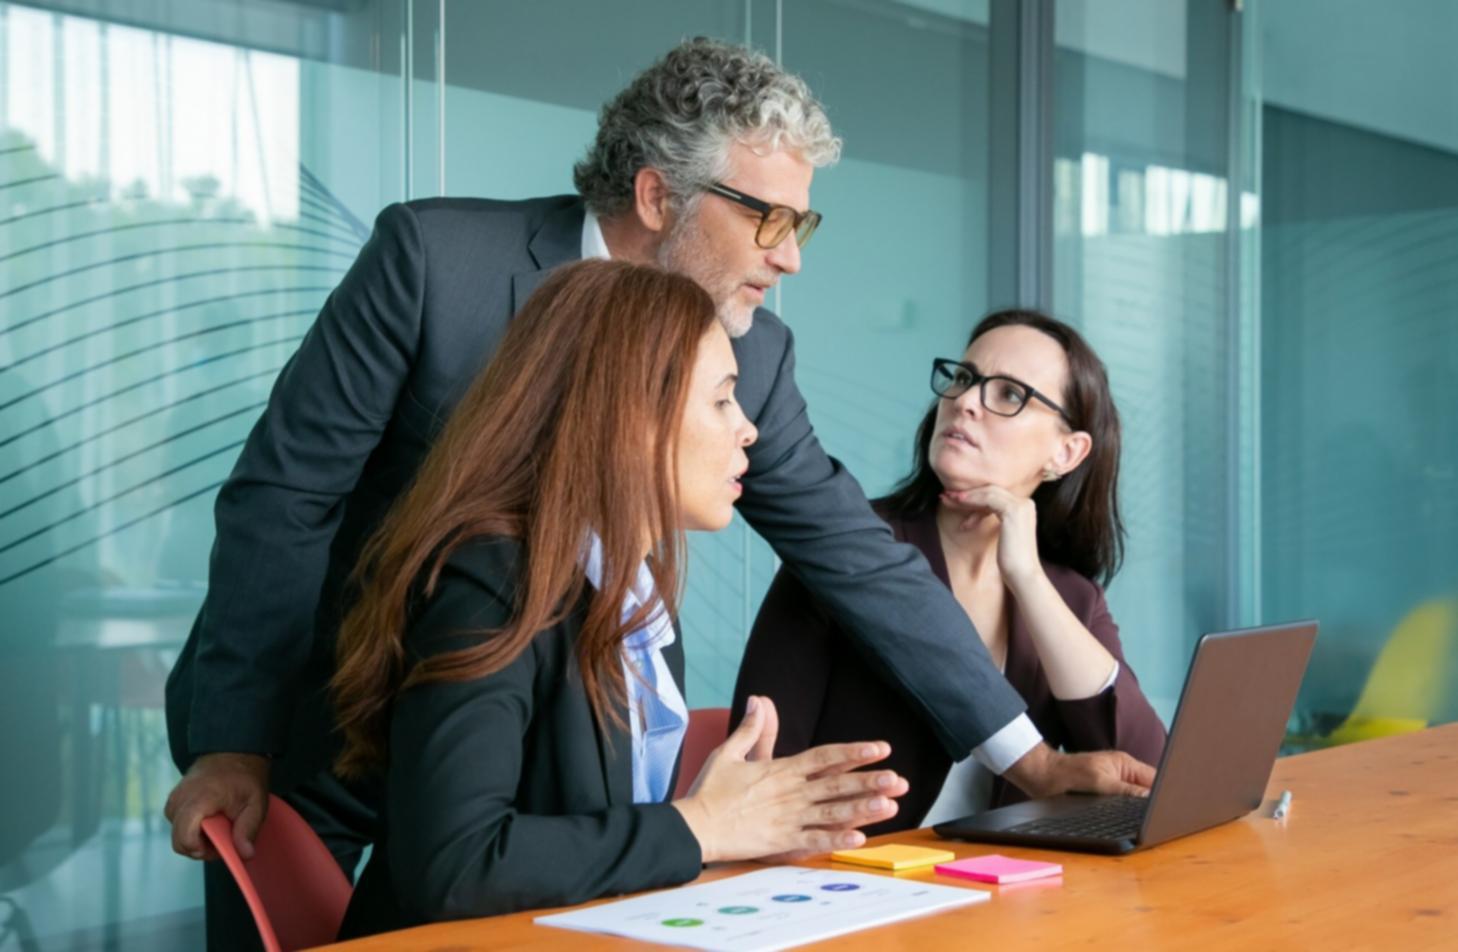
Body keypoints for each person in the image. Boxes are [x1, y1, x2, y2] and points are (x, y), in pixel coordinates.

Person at [163, 39, 1151, 948]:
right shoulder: (437, 268)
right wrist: (232, 744)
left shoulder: (753, 355)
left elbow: (858, 557)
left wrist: (1031, 762)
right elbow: (284, 498)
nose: (791, 253)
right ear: (655, 195)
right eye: (766, 216)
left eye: (801, 221)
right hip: (318, 721)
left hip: (543, 794)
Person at [329, 259, 906, 934]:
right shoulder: (489, 583)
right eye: (722, 399)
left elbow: (591, 840)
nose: (747, 428)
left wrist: (724, 831)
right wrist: (702, 827)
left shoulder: (633, 591)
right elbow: (457, 866)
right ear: (629, 417)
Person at [733, 310, 1168, 833]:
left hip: (1012, 897)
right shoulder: (845, 546)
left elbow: (1140, 772)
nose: (963, 401)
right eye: (964, 379)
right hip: (850, 888)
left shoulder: (1070, 597)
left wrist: (1027, 578)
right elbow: (759, 771)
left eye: (1009, 395)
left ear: (1066, 452)